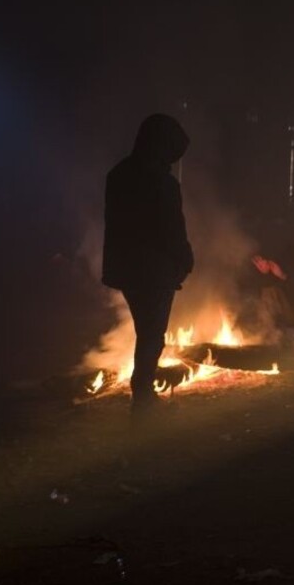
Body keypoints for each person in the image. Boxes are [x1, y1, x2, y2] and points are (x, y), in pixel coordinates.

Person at [102, 114, 194, 412]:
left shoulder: (117, 174)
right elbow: (171, 228)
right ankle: (143, 397)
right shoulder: (162, 182)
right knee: (152, 335)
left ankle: (142, 392)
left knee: (147, 331)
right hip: (155, 271)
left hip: (126, 268)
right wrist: (185, 259)